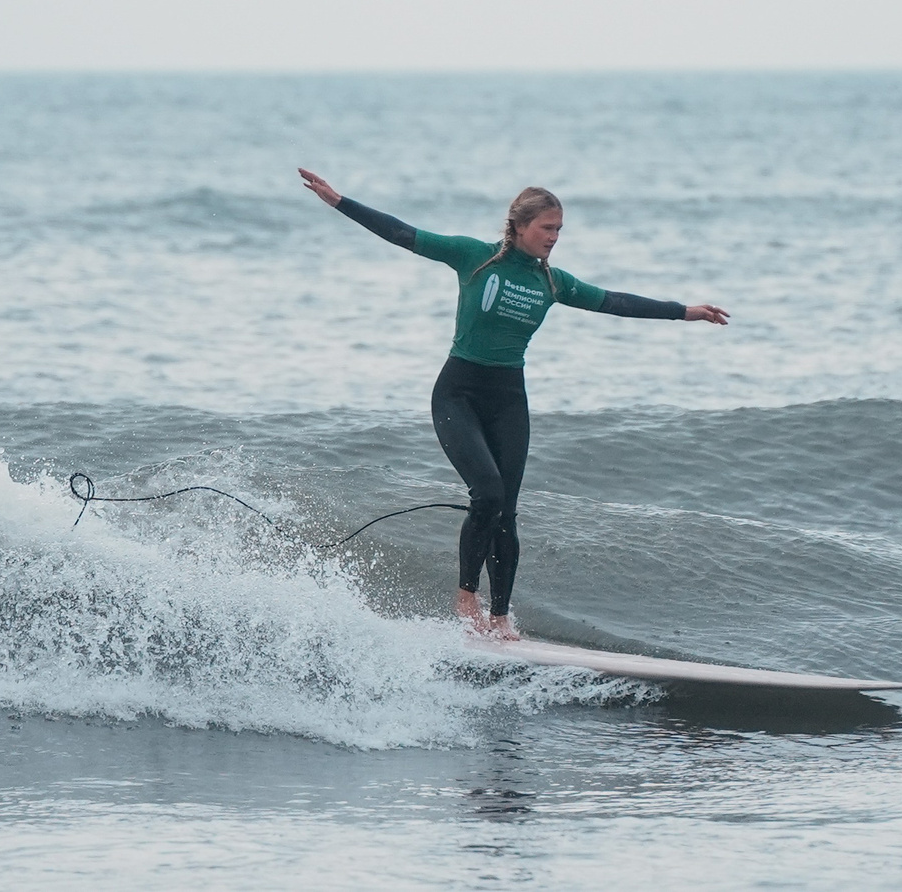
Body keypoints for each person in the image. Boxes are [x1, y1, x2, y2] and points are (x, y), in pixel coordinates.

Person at [297, 168, 728, 639]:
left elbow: (615, 302)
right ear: (520, 227)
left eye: (559, 230)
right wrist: (340, 202)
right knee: (487, 492)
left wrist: (684, 311)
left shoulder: (554, 283)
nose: (554, 238)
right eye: (547, 228)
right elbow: (403, 233)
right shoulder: (473, 257)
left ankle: (501, 617)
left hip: (508, 398)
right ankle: (466, 597)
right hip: (458, 392)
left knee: (507, 509)